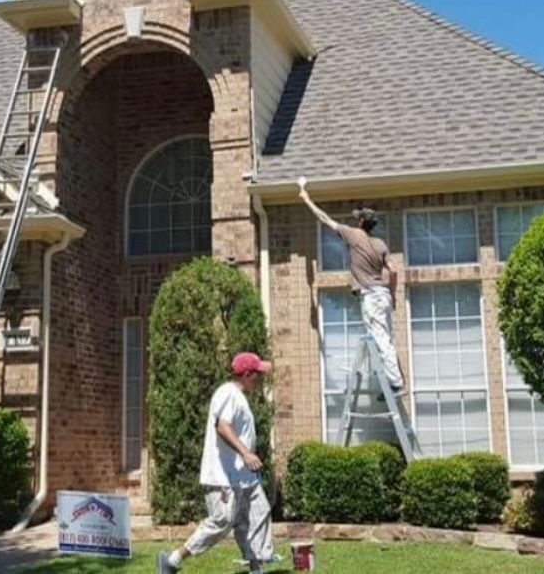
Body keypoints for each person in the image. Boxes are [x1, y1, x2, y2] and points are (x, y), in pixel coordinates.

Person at [157, 352, 276, 574]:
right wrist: (245, 454)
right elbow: (222, 426)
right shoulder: (228, 393)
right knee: (223, 521)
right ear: (247, 374)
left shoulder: (239, 395)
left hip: (243, 476)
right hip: (223, 475)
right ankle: (172, 560)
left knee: (258, 513)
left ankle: (256, 568)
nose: (261, 378)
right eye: (258, 373)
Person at [298, 185, 404, 394]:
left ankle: (396, 383)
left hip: (371, 296)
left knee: (381, 340)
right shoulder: (380, 243)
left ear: (361, 222)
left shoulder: (353, 235)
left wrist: (306, 199)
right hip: (383, 294)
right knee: (385, 338)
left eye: (358, 219)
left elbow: (325, 219)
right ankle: (388, 381)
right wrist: (392, 293)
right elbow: (393, 270)